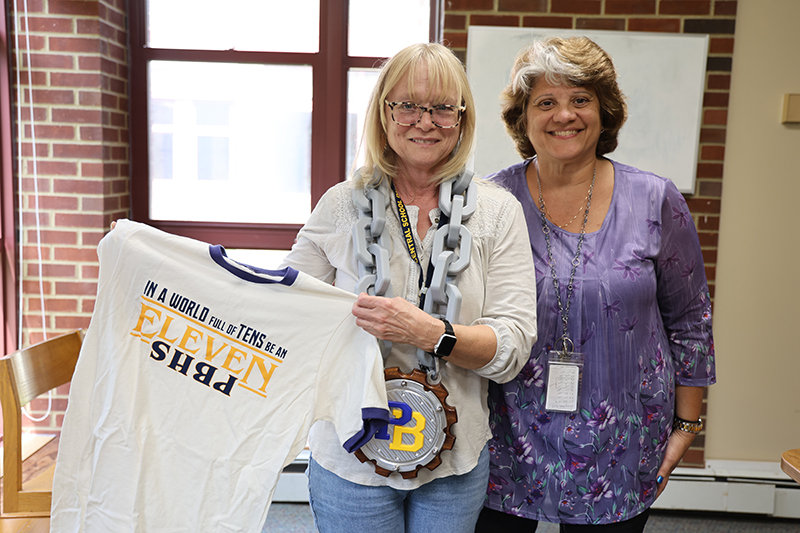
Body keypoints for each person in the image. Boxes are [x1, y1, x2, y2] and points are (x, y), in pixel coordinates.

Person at [279, 42, 538, 533]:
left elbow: (513, 345)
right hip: (351, 452)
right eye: (408, 106)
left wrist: (431, 333)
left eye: (442, 108)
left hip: (454, 455)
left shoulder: (497, 212)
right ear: (384, 113)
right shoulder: (341, 205)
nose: (425, 122)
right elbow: (288, 313)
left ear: (461, 118)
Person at [476, 36, 716, 532]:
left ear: (605, 111)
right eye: (546, 102)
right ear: (523, 118)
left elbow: (691, 320)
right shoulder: (491, 201)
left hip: (620, 440)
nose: (564, 114)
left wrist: (687, 425)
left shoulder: (654, 200)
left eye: (580, 99)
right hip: (506, 433)